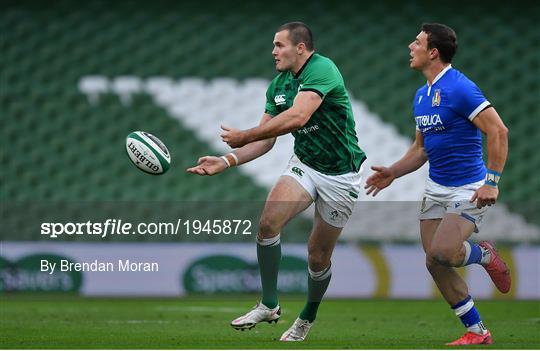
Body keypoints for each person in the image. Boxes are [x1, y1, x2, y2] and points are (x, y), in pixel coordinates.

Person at [187, 21, 366, 342]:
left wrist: (245, 134)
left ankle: (306, 319)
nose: (273, 51)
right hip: (306, 165)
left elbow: (299, 117)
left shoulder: (323, 68)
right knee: (268, 222)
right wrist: (226, 160)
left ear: (300, 48)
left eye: (279, 45)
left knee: (317, 255)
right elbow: (265, 141)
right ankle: (269, 304)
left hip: (342, 174)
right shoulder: (278, 86)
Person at [364, 23, 510, 346]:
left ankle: (484, 255)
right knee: (434, 260)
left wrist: (492, 181)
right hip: (436, 189)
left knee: (444, 251)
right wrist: (393, 172)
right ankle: (477, 331)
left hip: (468, 188)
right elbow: (420, 150)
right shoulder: (421, 95)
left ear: (433, 52)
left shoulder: (460, 88)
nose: (409, 46)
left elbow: (498, 131)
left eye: (416, 42)